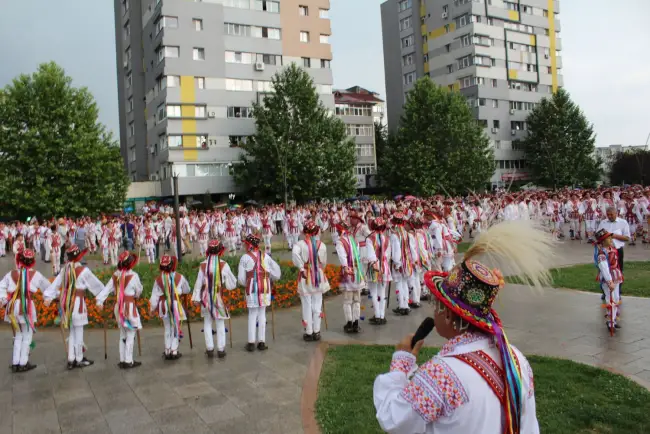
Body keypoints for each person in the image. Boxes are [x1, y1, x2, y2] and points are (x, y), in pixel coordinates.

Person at [373, 220, 552, 434]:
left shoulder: (442, 374)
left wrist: (401, 364)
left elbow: (395, 419)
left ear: (448, 315)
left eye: (436, 304)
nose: (434, 312)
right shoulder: (516, 359)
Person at [43, 245, 104, 369]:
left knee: (72, 331)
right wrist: (102, 298)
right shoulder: (83, 271)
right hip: (78, 303)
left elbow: (54, 285)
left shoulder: (64, 270)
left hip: (66, 303)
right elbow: (96, 285)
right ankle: (79, 358)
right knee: (79, 331)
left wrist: (49, 297)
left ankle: (71, 359)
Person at [0, 249, 51, 373]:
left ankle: (16, 362)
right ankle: (23, 362)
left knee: (18, 335)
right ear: (32, 262)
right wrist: (48, 298)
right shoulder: (36, 275)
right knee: (27, 334)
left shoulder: (11, 273)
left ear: (19, 260)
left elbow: (1, 286)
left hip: (13, 306)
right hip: (26, 306)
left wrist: (3, 299)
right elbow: (48, 288)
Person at [96, 251, 144, 369]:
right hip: (129, 307)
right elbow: (139, 291)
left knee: (122, 332)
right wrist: (136, 296)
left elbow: (106, 289)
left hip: (119, 307)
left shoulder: (116, 275)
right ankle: (128, 360)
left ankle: (122, 359)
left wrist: (100, 301)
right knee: (131, 333)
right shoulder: (134, 276)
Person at [192, 240, 237, 358]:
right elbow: (232, 283)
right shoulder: (224, 265)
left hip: (206, 297)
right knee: (220, 322)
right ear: (219, 251)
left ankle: (210, 348)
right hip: (218, 297)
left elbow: (198, 283)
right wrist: (227, 285)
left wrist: (196, 298)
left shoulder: (203, 265)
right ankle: (221, 349)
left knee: (207, 322)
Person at [238, 233, 281, 352]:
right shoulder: (266, 256)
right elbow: (276, 272)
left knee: (252, 314)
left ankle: (251, 342)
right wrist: (270, 279)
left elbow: (241, 279)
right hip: (265, 288)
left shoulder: (245, 258)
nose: (244, 246)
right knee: (262, 314)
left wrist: (246, 283)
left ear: (249, 245)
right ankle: (261, 341)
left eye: (245, 244)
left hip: (252, 288)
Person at [291, 220, 329, 341]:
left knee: (307, 304)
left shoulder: (299, 244)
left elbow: (295, 256)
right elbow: (324, 262)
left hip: (305, 276)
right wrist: (318, 269)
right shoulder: (321, 245)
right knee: (317, 303)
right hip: (318, 276)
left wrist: (302, 267)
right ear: (316, 231)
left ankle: (309, 331)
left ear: (305, 231)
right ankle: (317, 331)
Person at [150, 255, 191, 360]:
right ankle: (174, 350)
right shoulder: (179, 277)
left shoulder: (158, 280)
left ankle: (167, 350)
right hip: (175, 304)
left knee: (167, 327)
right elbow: (187, 289)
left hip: (163, 305)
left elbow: (154, 296)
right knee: (176, 328)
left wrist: (152, 309)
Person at [336, 221, 370, 333]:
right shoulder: (354, 240)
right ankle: (356, 322)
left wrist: (345, 267)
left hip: (348, 271)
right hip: (357, 270)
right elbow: (358, 255)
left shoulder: (340, 242)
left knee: (347, 299)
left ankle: (349, 322)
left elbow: (342, 256)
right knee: (357, 299)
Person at [594, 229, 623, 332]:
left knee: (615, 298)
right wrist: (609, 281)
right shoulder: (602, 253)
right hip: (609, 278)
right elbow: (604, 268)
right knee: (610, 299)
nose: (611, 239)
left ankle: (613, 320)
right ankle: (610, 322)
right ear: (603, 240)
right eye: (608, 238)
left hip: (616, 275)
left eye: (611, 237)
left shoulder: (612, 249)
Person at [597, 207, 630, 297]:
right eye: (608, 214)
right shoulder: (603, 222)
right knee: (604, 270)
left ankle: (617, 290)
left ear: (616, 213)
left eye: (611, 214)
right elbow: (597, 235)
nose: (609, 216)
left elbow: (627, 238)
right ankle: (605, 291)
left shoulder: (623, 222)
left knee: (618, 270)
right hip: (605, 250)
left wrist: (613, 235)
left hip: (617, 250)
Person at [366, 217, 391, 325]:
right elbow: (388, 255)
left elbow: (371, 256)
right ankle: (382, 315)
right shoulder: (386, 238)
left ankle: (377, 315)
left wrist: (376, 266)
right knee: (382, 291)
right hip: (384, 266)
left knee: (374, 292)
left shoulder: (369, 238)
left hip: (374, 267)